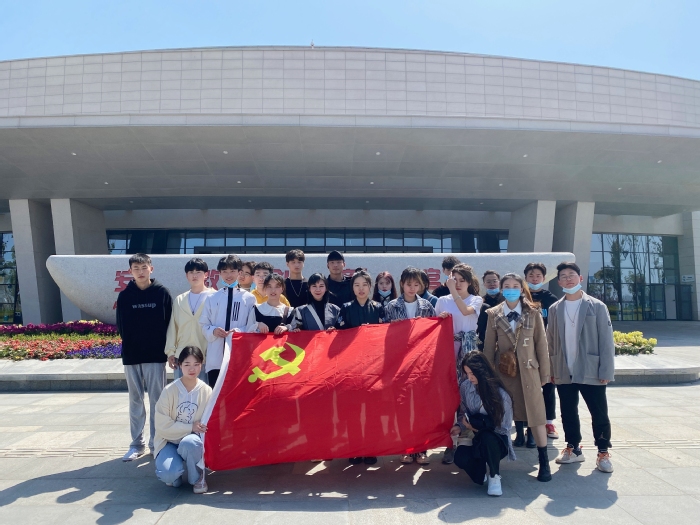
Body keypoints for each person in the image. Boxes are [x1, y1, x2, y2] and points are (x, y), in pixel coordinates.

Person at [482, 272, 552, 482]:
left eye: (515, 286)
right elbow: (488, 346)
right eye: (507, 286)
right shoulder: (494, 313)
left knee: (536, 415)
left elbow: (541, 345)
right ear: (502, 289)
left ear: (522, 289)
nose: (511, 289)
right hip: (504, 372)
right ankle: (494, 462)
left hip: (529, 371)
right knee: (500, 415)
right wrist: (487, 374)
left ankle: (544, 461)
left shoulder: (533, 312)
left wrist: (545, 373)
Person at [547, 262, 615, 474]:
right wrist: (551, 369)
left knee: (599, 412)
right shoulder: (555, 308)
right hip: (563, 368)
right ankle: (573, 448)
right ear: (559, 282)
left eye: (572, 275)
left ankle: (603, 451)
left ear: (580, 278)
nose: (568, 279)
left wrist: (606, 370)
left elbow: (607, 340)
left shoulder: (597, 306)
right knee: (568, 411)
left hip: (591, 369)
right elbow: (550, 341)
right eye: (563, 276)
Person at [117, 253, 173, 462]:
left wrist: (169, 351)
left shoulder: (161, 293)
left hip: (155, 355)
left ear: (151, 268)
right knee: (135, 400)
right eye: (136, 268)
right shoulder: (125, 296)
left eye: (143, 267)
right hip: (132, 355)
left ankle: (156, 443)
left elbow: (170, 324)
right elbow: (121, 326)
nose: (140, 272)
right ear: (130, 271)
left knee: (157, 400)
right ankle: (136, 444)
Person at [384, 267, 436, 465]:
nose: (412, 288)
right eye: (408, 284)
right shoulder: (391, 306)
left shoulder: (427, 306)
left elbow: (433, 332)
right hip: (399, 363)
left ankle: (422, 449)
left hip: (421, 363)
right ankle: (405, 448)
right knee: (402, 406)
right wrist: (393, 328)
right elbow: (382, 335)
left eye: (416, 284)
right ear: (402, 284)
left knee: (422, 407)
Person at [435, 263, 483, 465]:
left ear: (470, 282)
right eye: (455, 280)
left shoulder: (476, 299)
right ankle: (450, 443)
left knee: (468, 393)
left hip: (469, 351)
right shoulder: (442, 300)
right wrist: (441, 318)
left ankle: (467, 440)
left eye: (462, 280)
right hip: (447, 349)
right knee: (449, 395)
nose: (458, 284)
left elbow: (465, 311)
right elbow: (434, 324)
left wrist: (453, 291)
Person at [337, 269, 385, 466]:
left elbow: (385, 334)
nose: (361, 289)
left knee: (373, 410)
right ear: (352, 288)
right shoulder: (345, 308)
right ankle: (355, 449)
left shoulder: (379, 308)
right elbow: (340, 335)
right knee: (353, 410)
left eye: (364, 285)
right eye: (357, 285)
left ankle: (371, 449)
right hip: (352, 367)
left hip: (374, 366)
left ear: (370, 287)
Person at [451, 352, 515, 497]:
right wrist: (459, 426)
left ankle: (494, 475)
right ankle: (480, 472)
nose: (470, 377)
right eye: (467, 373)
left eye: (473, 373)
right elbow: (464, 413)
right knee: (460, 457)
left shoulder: (501, 394)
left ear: (482, 370)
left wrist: (475, 427)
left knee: (487, 437)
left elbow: (504, 428)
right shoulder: (465, 387)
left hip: (497, 440)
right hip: (475, 438)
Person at [154, 346, 212, 494]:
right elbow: (161, 425)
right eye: (187, 364)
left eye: (196, 364)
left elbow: (210, 421)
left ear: (201, 365)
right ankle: (175, 474)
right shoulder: (169, 391)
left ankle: (196, 477)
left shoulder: (206, 391)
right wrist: (190, 427)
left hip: (192, 441)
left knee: (190, 443)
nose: (192, 369)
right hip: (169, 441)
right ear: (180, 365)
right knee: (168, 474)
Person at [199, 255, 256, 387]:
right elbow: (203, 324)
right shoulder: (212, 297)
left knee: (237, 394)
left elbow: (252, 326)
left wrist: (237, 331)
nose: (228, 275)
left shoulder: (249, 298)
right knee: (215, 392)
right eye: (224, 271)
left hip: (238, 354)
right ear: (219, 273)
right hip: (215, 356)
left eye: (232, 271)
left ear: (239, 272)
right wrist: (213, 331)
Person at [524, 262, 560, 440]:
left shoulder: (551, 298)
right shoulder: (521, 297)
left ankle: (548, 422)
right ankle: (525, 422)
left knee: (548, 385)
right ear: (525, 278)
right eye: (531, 276)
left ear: (544, 278)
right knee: (525, 386)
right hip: (525, 348)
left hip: (545, 348)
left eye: (538, 275)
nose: (534, 279)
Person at [165, 258, 215, 382]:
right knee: (181, 391)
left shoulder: (215, 297)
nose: (194, 275)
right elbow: (173, 327)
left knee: (204, 392)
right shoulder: (180, 299)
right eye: (191, 272)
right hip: (182, 356)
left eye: (198, 272)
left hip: (205, 356)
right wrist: (171, 352)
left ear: (206, 274)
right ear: (186, 275)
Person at [477, 270, 504, 351]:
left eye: (494, 281)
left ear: (499, 282)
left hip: (503, 338)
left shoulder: (506, 300)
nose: (492, 284)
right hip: (485, 340)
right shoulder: (480, 302)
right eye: (488, 282)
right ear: (484, 284)